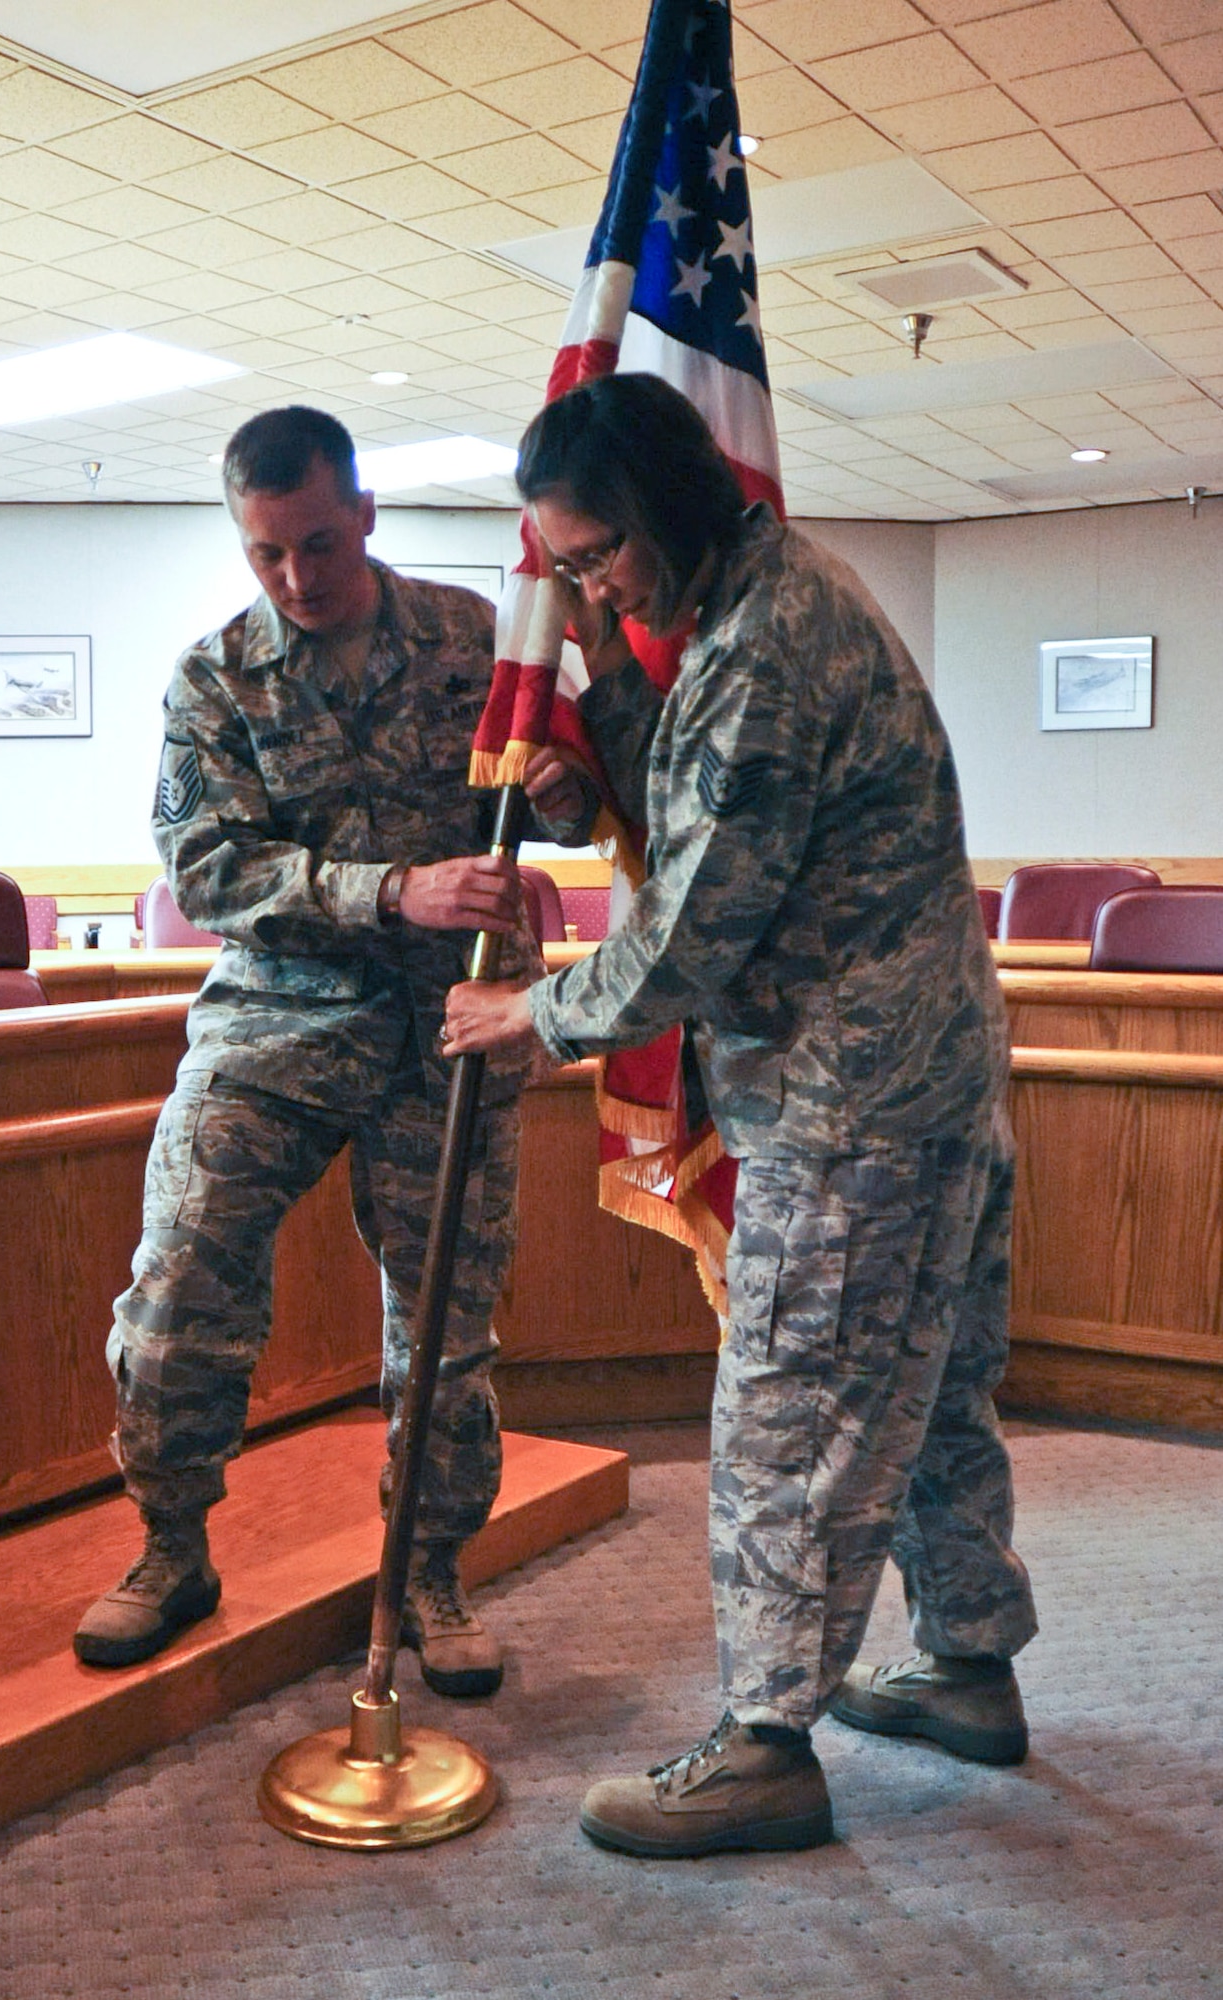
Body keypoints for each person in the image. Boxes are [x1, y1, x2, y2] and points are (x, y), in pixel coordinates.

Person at [443, 373, 1038, 1857]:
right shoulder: (764, 602)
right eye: (565, 569)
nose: (585, 586)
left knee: (790, 1416)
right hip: (927, 1081)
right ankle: (966, 1664)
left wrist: (531, 1016)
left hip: (849, 1110)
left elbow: (698, 927)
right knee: (928, 1391)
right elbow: (707, 804)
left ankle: (766, 1742)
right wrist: (596, 675)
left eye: (594, 560)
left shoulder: (765, 638)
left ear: (662, 506)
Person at [74, 405, 537, 1697]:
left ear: (367, 513)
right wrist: (390, 891)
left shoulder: (470, 638)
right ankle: (172, 1547)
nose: (295, 578)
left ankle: (428, 1572)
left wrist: (558, 795)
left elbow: (539, 797)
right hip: (275, 1021)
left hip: (448, 1029)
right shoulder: (214, 675)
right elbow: (208, 867)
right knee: (178, 1282)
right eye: (265, 552)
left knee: (442, 1325)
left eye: (318, 544)